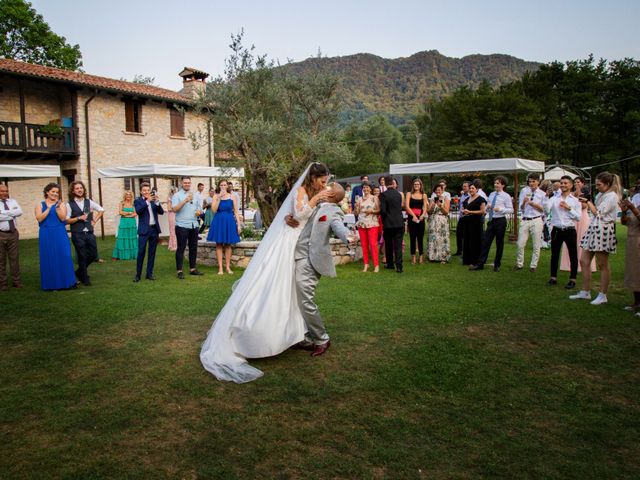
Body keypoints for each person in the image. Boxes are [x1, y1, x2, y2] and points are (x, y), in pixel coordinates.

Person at [200, 162, 333, 383]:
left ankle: (295, 334)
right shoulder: (303, 191)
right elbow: (298, 214)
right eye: (322, 180)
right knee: (276, 285)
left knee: (293, 290)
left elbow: (322, 211)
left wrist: (320, 199)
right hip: (288, 242)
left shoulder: (321, 193)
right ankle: (259, 334)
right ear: (313, 178)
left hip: (301, 243)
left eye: (326, 180)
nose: (324, 183)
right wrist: (313, 201)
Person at [293, 183, 355, 356]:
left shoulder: (333, 211)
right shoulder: (313, 204)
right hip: (294, 255)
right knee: (294, 299)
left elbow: (338, 226)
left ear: (332, 194)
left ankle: (322, 339)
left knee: (306, 300)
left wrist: (347, 237)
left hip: (310, 260)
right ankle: (301, 336)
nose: (325, 185)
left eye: (330, 186)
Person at [570, 172, 622, 305]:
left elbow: (598, 213)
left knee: (602, 264)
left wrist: (588, 201)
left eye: (599, 184)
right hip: (593, 228)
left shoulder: (612, 196)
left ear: (608, 184)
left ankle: (602, 294)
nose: (597, 187)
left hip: (604, 229)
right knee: (584, 261)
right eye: (596, 184)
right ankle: (585, 291)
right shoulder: (601, 194)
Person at [35, 183, 76, 291]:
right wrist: (48, 209)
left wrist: (57, 208)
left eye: (57, 192)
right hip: (46, 233)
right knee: (48, 256)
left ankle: (67, 283)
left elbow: (63, 219)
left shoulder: (61, 204)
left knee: (64, 255)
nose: (55, 194)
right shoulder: (40, 204)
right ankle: (51, 284)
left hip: (59, 232)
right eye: (53, 191)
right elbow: (39, 219)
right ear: (47, 192)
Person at [470, 176, 513, 272]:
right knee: (486, 242)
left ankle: (497, 264)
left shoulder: (506, 196)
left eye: (498, 183)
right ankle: (480, 264)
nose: (496, 185)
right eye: (495, 183)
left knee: (499, 242)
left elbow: (511, 209)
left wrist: (501, 209)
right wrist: (488, 207)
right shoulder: (492, 194)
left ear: (503, 185)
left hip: (500, 220)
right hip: (492, 220)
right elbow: (487, 206)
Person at [545, 176, 581, 289]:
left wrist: (568, 208)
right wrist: (547, 197)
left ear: (571, 185)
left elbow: (578, 217)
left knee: (573, 254)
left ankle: (572, 279)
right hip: (556, 230)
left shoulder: (575, 201)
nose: (563, 185)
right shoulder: (554, 199)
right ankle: (553, 277)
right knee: (554, 254)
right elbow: (546, 210)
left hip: (569, 230)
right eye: (561, 183)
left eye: (565, 183)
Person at [65, 181, 104, 287]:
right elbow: (67, 220)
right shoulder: (69, 204)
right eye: (77, 188)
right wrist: (78, 218)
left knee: (93, 254)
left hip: (89, 232)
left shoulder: (88, 202)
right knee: (82, 255)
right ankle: (85, 278)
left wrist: (94, 220)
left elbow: (101, 209)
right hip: (77, 233)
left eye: (81, 188)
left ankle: (79, 272)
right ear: (73, 191)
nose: (79, 190)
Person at [206, 179, 242, 275]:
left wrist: (238, 225)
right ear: (219, 186)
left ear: (227, 186)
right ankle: (220, 268)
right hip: (219, 220)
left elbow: (235, 212)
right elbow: (213, 210)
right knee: (219, 244)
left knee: (228, 245)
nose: (222, 186)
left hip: (229, 221)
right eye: (221, 185)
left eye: (224, 185)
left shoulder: (232, 196)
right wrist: (219, 198)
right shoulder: (215, 196)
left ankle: (227, 267)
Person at [560, 176, 595, 273]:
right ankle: (569, 264)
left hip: (583, 218)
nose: (576, 184)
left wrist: (576, 199)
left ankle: (583, 263)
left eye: (578, 182)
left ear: (583, 183)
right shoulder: (570, 194)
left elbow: (584, 206)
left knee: (581, 240)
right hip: (573, 219)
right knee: (571, 241)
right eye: (575, 182)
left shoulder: (585, 194)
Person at [172, 177, 204, 279]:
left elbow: (199, 209)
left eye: (189, 183)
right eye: (185, 183)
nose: (187, 184)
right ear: (182, 183)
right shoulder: (177, 195)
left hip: (193, 225)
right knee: (181, 248)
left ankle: (192, 269)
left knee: (193, 248)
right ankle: (179, 271)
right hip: (182, 225)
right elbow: (174, 209)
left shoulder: (194, 195)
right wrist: (185, 200)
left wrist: (199, 212)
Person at [514, 173, 546, 272]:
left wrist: (534, 204)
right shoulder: (524, 191)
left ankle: (533, 265)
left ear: (538, 182)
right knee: (520, 243)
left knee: (536, 244)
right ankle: (519, 264)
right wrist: (524, 202)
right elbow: (521, 209)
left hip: (536, 219)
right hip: (525, 219)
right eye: (530, 181)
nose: (531, 183)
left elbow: (544, 210)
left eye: (533, 181)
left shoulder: (542, 194)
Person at [134, 183, 164, 282]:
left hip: (154, 230)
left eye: (148, 190)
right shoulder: (138, 201)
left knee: (152, 253)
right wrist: (147, 201)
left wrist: (157, 202)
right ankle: (138, 275)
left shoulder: (153, 200)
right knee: (141, 252)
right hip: (144, 230)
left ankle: (149, 274)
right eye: (144, 190)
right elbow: (139, 211)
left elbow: (161, 212)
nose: (146, 192)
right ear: (141, 191)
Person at [619, 188, 640, 314]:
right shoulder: (635, 202)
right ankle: (637, 301)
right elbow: (624, 223)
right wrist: (624, 212)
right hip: (632, 241)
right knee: (633, 272)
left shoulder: (635, 207)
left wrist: (632, 208)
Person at [0, 184, 23, 291]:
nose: (4, 193)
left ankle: (16, 281)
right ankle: (3, 283)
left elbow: (19, 212)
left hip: (13, 233)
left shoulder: (12, 201)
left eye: (6, 191)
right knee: (1, 259)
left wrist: (4, 213)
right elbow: (14, 213)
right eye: (2, 191)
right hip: (1, 234)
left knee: (14, 258)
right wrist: (11, 214)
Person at [379, 176, 405, 273]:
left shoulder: (383, 195)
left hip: (388, 223)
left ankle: (390, 264)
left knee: (389, 245)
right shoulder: (398, 194)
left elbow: (383, 211)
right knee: (398, 245)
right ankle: (399, 266)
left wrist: (383, 219)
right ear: (392, 183)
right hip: (399, 222)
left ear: (385, 183)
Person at [354, 181, 380, 272]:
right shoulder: (359, 199)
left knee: (373, 244)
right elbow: (356, 213)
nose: (366, 189)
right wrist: (356, 207)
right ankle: (366, 264)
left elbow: (379, 210)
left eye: (367, 187)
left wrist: (371, 212)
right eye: (364, 187)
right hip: (361, 224)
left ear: (370, 188)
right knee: (364, 245)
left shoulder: (374, 198)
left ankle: (376, 265)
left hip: (372, 223)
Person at [461, 180, 487, 266]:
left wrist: (470, 212)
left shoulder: (481, 199)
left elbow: (483, 211)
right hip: (467, 222)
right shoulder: (467, 199)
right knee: (467, 240)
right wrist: (464, 211)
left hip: (476, 223)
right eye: (470, 188)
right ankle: (467, 260)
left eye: (473, 188)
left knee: (475, 241)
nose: (471, 190)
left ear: (476, 189)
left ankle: (476, 260)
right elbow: (464, 209)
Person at [405, 178, 428, 265]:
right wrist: (413, 216)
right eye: (415, 184)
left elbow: (425, 207)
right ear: (413, 186)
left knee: (420, 237)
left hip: (421, 218)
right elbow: (407, 206)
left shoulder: (424, 195)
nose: (416, 186)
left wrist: (422, 215)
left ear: (421, 185)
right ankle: (413, 257)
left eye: (418, 184)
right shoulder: (409, 194)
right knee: (412, 238)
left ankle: (421, 256)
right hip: (412, 218)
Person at [427, 184, 451, 263]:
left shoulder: (446, 199)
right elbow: (429, 212)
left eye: (440, 190)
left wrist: (441, 206)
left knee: (442, 239)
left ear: (442, 190)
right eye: (436, 190)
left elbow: (446, 212)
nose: (438, 191)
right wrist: (433, 205)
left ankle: (443, 257)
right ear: (434, 191)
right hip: (433, 221)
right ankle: (433, 256)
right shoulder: (432, 199)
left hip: (442, 221)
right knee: (434, 238)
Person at [112, 190, 137, 260]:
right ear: (125, 196)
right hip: (123, 222)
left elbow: (135, 213)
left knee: (131, 237)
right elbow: (120, 212)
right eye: (127, 195)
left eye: (129, 195)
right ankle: (118, 255)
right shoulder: (122, 203)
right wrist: (129, 213)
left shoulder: (133, 203)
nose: (128, 196)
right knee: (122, 237)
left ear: (131, 196)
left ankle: (132, 255)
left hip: (132, 222)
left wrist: (126, 214)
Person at [453, 181, 471, 256]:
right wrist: (457, 203)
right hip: (461, 217)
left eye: (465, 186)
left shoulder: (471, 196)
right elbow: (460, 206)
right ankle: (459, 250)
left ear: (469, 187)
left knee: (466, 235)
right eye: (463, 186)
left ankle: (467, 251)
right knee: (459, 234)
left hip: (468, 217)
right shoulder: (462, 195)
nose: (463, 188)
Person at [166, 186, 178, 252]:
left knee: (175, 230)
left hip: (176, 215)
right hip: (172, 215)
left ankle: (172, 245)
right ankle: (174, 246)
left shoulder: (176, 198)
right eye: (176, 191)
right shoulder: (169, 199)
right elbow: (169, 208)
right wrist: (176, 209)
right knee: (172, 230)